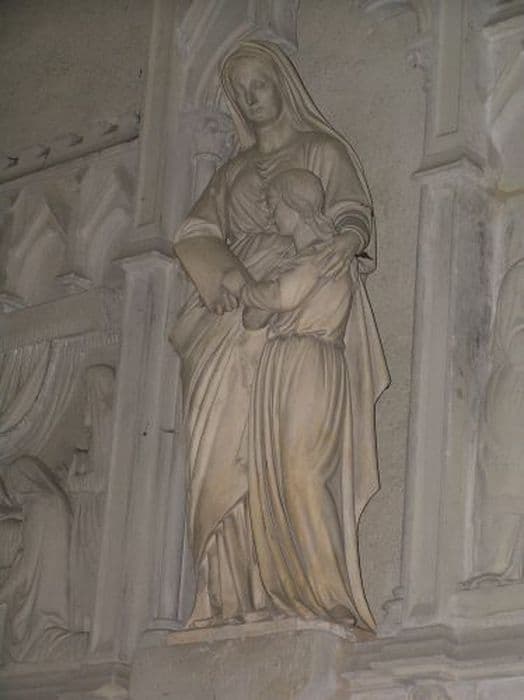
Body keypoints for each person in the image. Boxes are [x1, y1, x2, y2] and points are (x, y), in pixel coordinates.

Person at [170, 40, 388, 628]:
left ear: (281, 85)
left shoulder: (320, 151)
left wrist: (347, 239)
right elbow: (194, 233)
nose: (250, 98)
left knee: (287, 464)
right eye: (239, 91)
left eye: (258, 84)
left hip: (287, 323)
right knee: (219, 454)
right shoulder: (230, 172)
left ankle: (298, 592)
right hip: (227, 317)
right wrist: (230, 277)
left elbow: (351, 213)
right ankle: (229, 594)